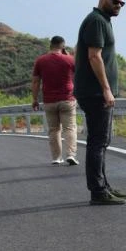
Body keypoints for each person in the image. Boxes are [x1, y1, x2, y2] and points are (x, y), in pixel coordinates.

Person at [74, 0, 126, 206]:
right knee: (98, 141)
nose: (118, 6)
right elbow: (94, 56)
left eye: (121, 4)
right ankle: (98, 191)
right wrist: (106, 89)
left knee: (102, 140)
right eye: (115, 2)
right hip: (95, 92)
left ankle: (103, 185)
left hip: (95, 91)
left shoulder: (102, 20)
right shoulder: (96, 20)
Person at [31, 36, 78, 166]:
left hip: (49, 101)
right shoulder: (69, 60)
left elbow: (35, 81)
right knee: (69, 128)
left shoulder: (40, 61)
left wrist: (35, 99)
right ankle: (71, 155)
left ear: (50, 45)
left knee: (53, 129)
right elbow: (78, 75)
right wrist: (69, 56)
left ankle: (57, 157)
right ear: (62, 46)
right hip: (67, 99)